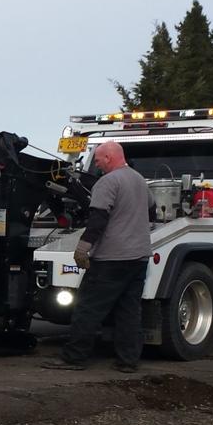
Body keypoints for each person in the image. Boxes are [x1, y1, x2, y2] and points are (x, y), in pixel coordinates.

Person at [43, 141, 152, 373]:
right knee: (129, 311)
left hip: (111, 259)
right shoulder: (139, 180)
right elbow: (151, 209)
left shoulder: (108, 182)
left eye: (99, 159)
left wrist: (82, 249)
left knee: (88, 309)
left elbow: (98, 220)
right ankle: (128, 361)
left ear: (110, 158)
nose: (98, 164)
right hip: (139, 257)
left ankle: (74, 358)